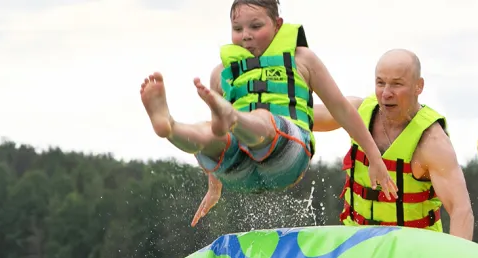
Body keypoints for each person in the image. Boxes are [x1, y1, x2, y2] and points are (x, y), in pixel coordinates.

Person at [139, 0, 396, 226]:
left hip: (286, 157)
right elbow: (217, 144)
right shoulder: (221, 73)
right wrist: (214, 187)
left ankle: (233, 119)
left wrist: (374, 157)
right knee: (209, 131)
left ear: (277, 24)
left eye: (255, 26)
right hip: (237, 170)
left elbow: (341, 108)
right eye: (238, 29)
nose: (246, 36)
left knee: (260, 119)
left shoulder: (302, 60)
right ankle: (170, 127)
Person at [311, 49, 474, 239]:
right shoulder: (357, 112)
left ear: (418, 86)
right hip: (356, 242)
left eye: (397, 84)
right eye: (380, 83)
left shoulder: (432, 142)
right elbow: (306, 116)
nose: (386, 93)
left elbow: (461, 211)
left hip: (412, 250)